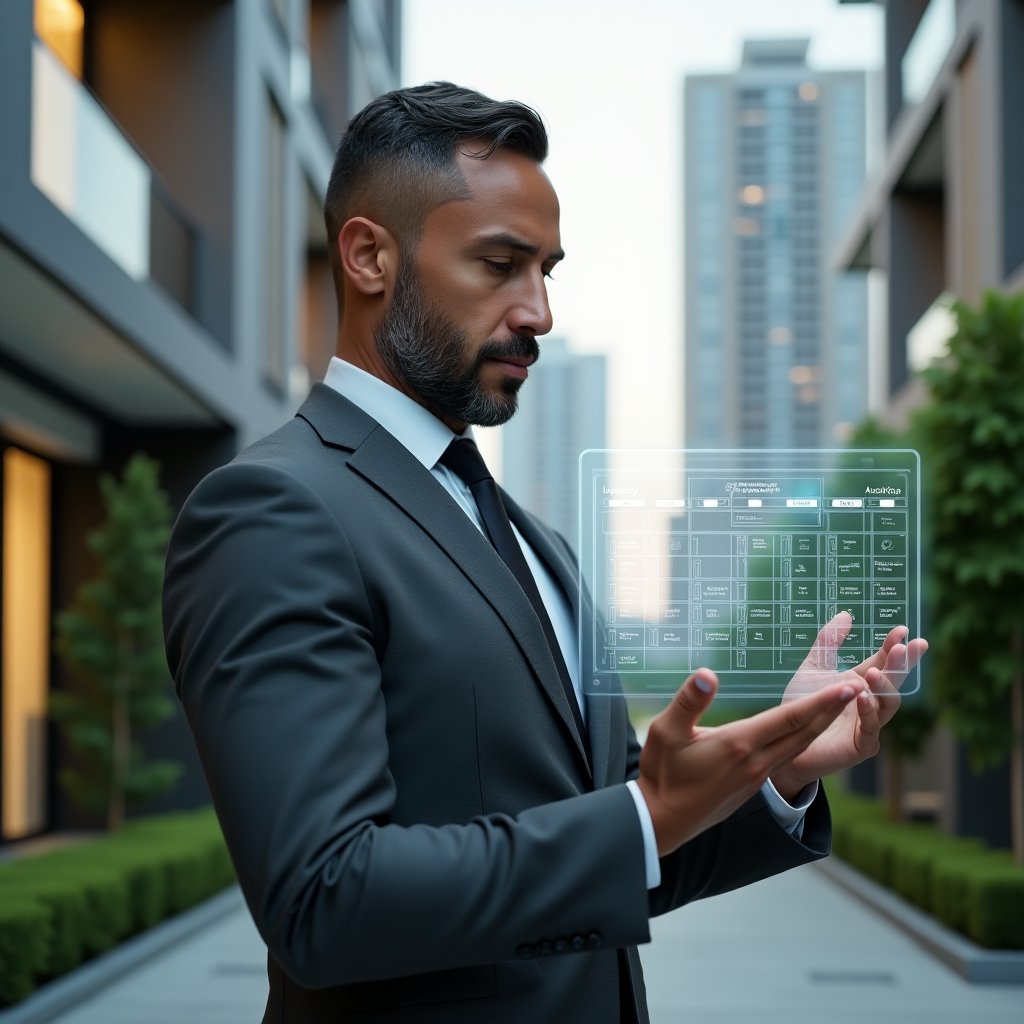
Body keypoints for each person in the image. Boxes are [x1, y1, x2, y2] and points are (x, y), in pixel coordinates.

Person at [162, 82, 927, 1024]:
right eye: (499, 264)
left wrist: (779, 768)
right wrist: (640, 818)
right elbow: (325, 900)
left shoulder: (535, 543)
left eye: (548, 271)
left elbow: (605, 852)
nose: (540, 313)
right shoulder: (273, 509)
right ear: (368, 256)